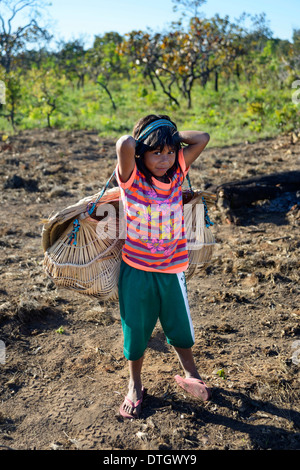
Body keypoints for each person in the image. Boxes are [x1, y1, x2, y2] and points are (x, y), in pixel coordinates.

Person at [115, 114, 211, 419]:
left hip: (172, 270)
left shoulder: (176, 174)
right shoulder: (132, 178)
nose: (165, 159)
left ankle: (191, 373)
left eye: (171, 152)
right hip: (137, 271)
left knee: (180, 325)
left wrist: (168, 135)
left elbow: (202, 138)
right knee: (137, 330)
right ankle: (135, 384)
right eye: (158, 153)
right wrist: (149, 140)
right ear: (143, 153)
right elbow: (124, 143)